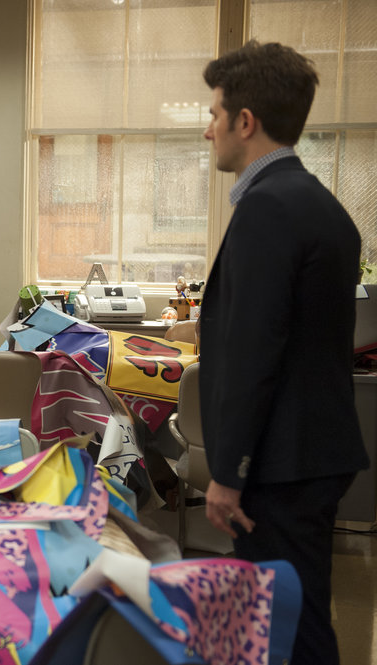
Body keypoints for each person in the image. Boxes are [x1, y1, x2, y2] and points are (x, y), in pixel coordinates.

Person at [199, 41, 368, 664]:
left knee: (288, 624)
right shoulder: (316, 203)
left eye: (216, 113)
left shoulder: (269, 207)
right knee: (297, 611)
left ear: (246, 122)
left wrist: (227, 474)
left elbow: (255, 354)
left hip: (280, 463)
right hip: (310, 452)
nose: (208, 126)